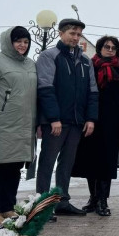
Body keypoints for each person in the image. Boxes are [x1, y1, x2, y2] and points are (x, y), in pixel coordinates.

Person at [35, 18, 99, 217]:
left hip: (76, 121)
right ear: (61, 33)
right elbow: (45, 88)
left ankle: (62, 201)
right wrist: (54, 118)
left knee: (67, 163)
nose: (76, 37)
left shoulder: (85, 60)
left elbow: (93, 91)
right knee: (47, 161)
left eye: (79, 34)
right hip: (56, 122)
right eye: (72, 33)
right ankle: (42, 205)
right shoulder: (49, 56)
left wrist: (90, 118)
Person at [0, 26, 37, 228]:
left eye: (26, 42)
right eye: (18, 41)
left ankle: (7, 206)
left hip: (23, 126)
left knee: (14, 167)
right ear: (9, 42)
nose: (22, 45)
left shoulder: (30, 64)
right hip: (0, 125)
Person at [72, 36, 119, 217]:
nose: (110, 50)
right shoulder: (90, 67)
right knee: (90, 161)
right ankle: (93, 198)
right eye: (107, 46)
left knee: (106, 163)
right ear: (99, 48)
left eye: (114, 48)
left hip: (111, 123)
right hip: (90, 121)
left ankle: (103, 200)